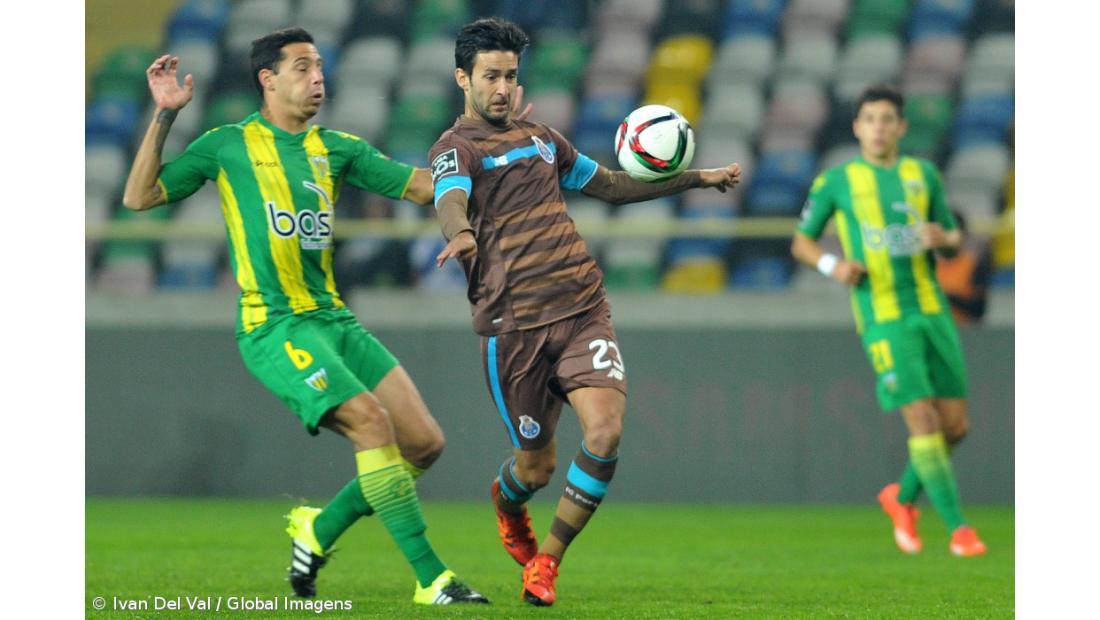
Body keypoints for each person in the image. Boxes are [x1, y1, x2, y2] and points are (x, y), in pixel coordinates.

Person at [121, 27, 497, 605]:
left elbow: (421, 188)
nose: (317, 78)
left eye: (320, 67)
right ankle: (433, 579)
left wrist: (493, 169)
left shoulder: (338, 148)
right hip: (274, 326)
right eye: (302, 68)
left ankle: (316, 530)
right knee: (372, 423)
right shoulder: (228, 145)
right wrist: (165, 116)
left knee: (423, 444)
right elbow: (139, 197)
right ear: (267, 80)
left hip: (335, 321)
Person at [428, 17, 743, 607]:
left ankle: (546, 562)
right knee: (536, 467)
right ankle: (506, 500)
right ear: (462, 78)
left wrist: (698, 178)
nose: (501, 86)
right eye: (490, 75)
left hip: (581, 309)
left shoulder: (544, 139)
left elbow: (613, 186)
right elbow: (450, 195)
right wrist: (461, 233)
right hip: (511, 329)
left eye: (510, 75)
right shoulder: (456, 148)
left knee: (605, 430)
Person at [790, 85, 987, 557]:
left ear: (901, 127)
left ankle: (900, 499)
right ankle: (959, 530)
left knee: (955, 428)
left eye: (887, 119)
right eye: (870, 118)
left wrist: (945, 240)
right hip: (882, 314)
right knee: (921, 419)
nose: (879, 126)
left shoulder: (924, 175)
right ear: (858, 127)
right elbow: (802, 242)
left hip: (932, 309)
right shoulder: (837, 181)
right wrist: (833, 267)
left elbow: (953, 240)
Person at [935, 210, 992, 324]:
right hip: (936, 330)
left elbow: (978, 309)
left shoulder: (974, 265)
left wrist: (946, 296)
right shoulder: (928, 265)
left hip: (965, 331)